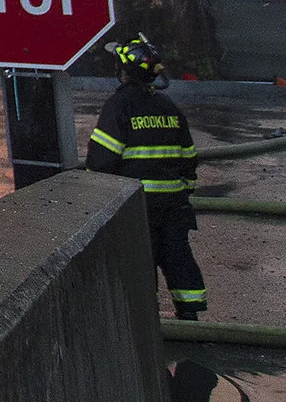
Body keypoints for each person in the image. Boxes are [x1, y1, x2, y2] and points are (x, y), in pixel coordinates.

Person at [87, 36, 206, 320]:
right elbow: (188, 159)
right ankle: (190, 319)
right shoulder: (168, 106)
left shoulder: (119, 106)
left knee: (142, 264)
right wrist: (182, 193)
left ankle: (147, 321)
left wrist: (95, 200)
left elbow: (102, 161)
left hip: (138, 208)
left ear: (124, 71)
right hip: (174, 206)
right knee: (178, 258)